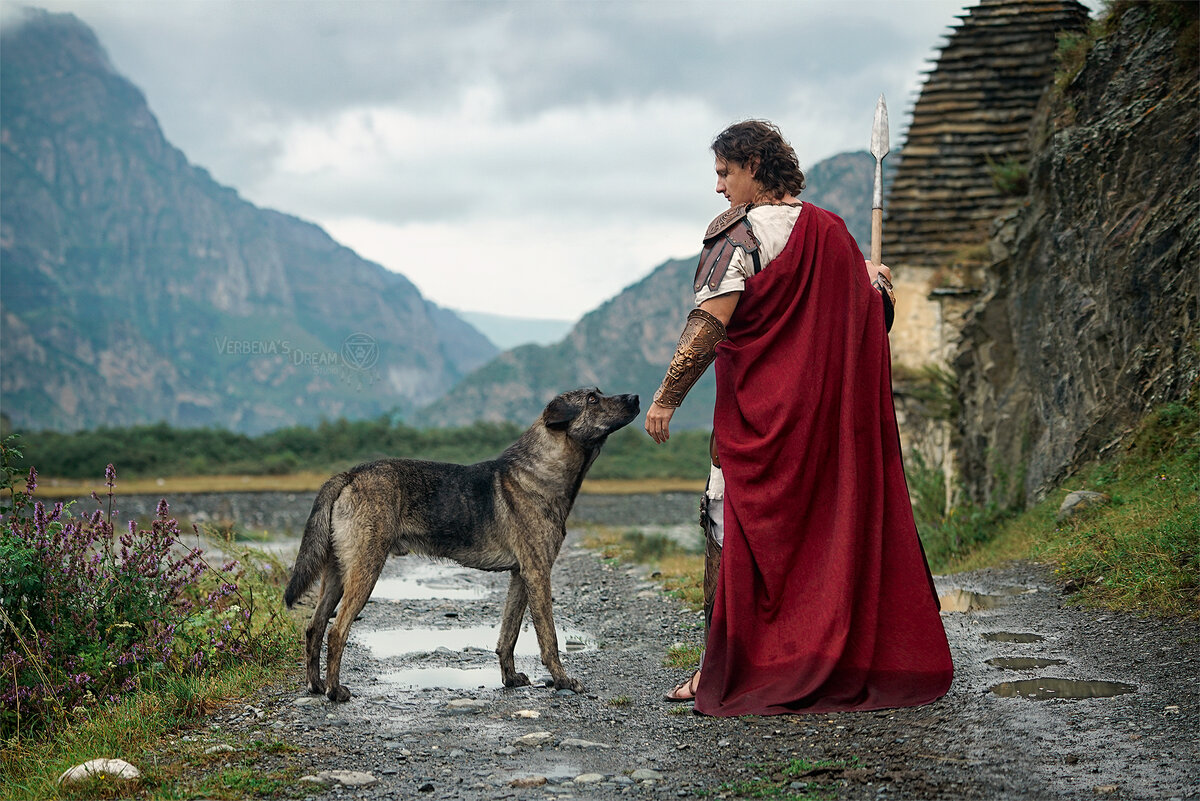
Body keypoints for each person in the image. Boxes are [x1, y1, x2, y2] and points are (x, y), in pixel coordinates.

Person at [645, 119, 952, 715]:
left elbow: (709, 325)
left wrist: (666, 398)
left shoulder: (737, 237)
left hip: (759, 419)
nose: (718, 188)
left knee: (722, 521)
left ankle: (720, 666)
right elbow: (868, 327)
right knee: (817, 537)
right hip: (822, 428)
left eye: (723, 173)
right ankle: (813, 653)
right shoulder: (833, 233)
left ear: (753, 165)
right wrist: (879, 291)